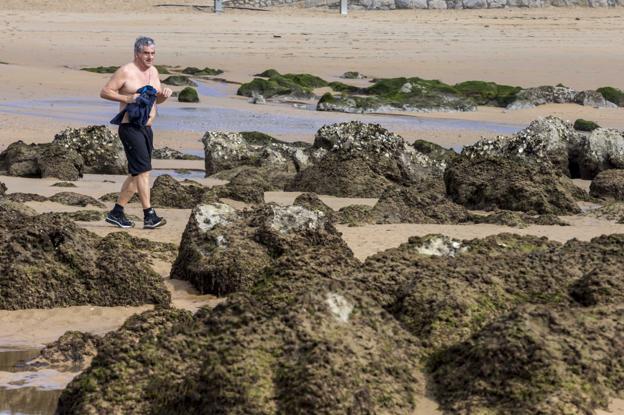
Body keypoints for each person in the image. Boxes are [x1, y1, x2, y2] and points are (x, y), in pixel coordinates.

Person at [100, 36, 172, 229]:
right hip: (130, 128)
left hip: (146, 129)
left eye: (153, 53)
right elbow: (105, 92)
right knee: (143, 172)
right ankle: (149, 215)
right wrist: (129, 98)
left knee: (136, 174)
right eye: (146, 53)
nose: (150, 57)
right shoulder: (126, 71)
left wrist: (163, 96)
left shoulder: (154, 71)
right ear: (137, 53)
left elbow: (156, 101)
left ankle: (117, 213)